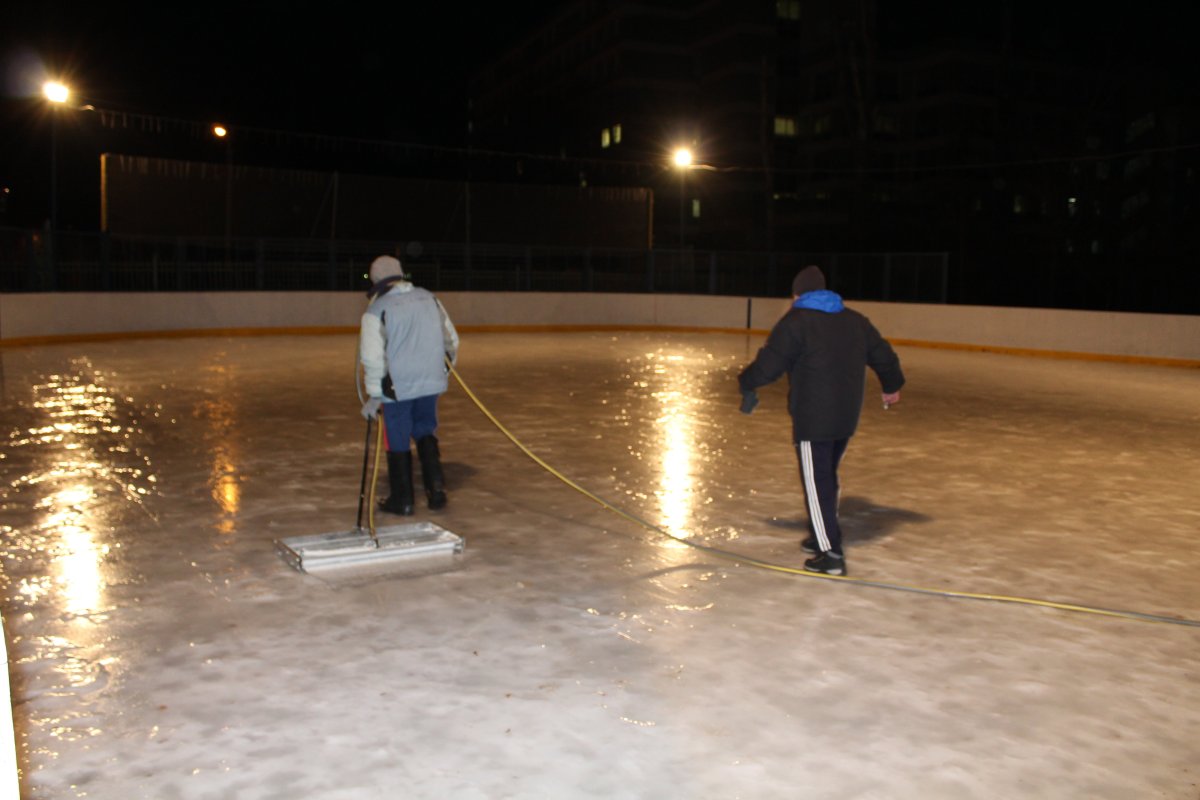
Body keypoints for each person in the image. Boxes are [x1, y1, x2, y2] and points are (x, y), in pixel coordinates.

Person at [738, 265, 904, 576]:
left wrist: (745, 381)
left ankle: (830, 554)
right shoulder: (855, 321)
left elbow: (768, 366)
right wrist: (892, 386)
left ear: (797, 294)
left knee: (818, 482)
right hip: (845, 416)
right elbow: (884, 355)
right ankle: (820, 534)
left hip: (814, 418)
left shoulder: (795, 322)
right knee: (826, 475)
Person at [359, 254, 460, 515]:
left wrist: (374, 395)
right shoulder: (429, 298)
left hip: (397, 387)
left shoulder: (376, 310)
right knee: (426, 428)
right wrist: (441, 372)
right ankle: (436, 489)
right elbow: (451, 340)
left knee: (397, 438)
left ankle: (402, 500)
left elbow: (372, 359)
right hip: (431, 382)